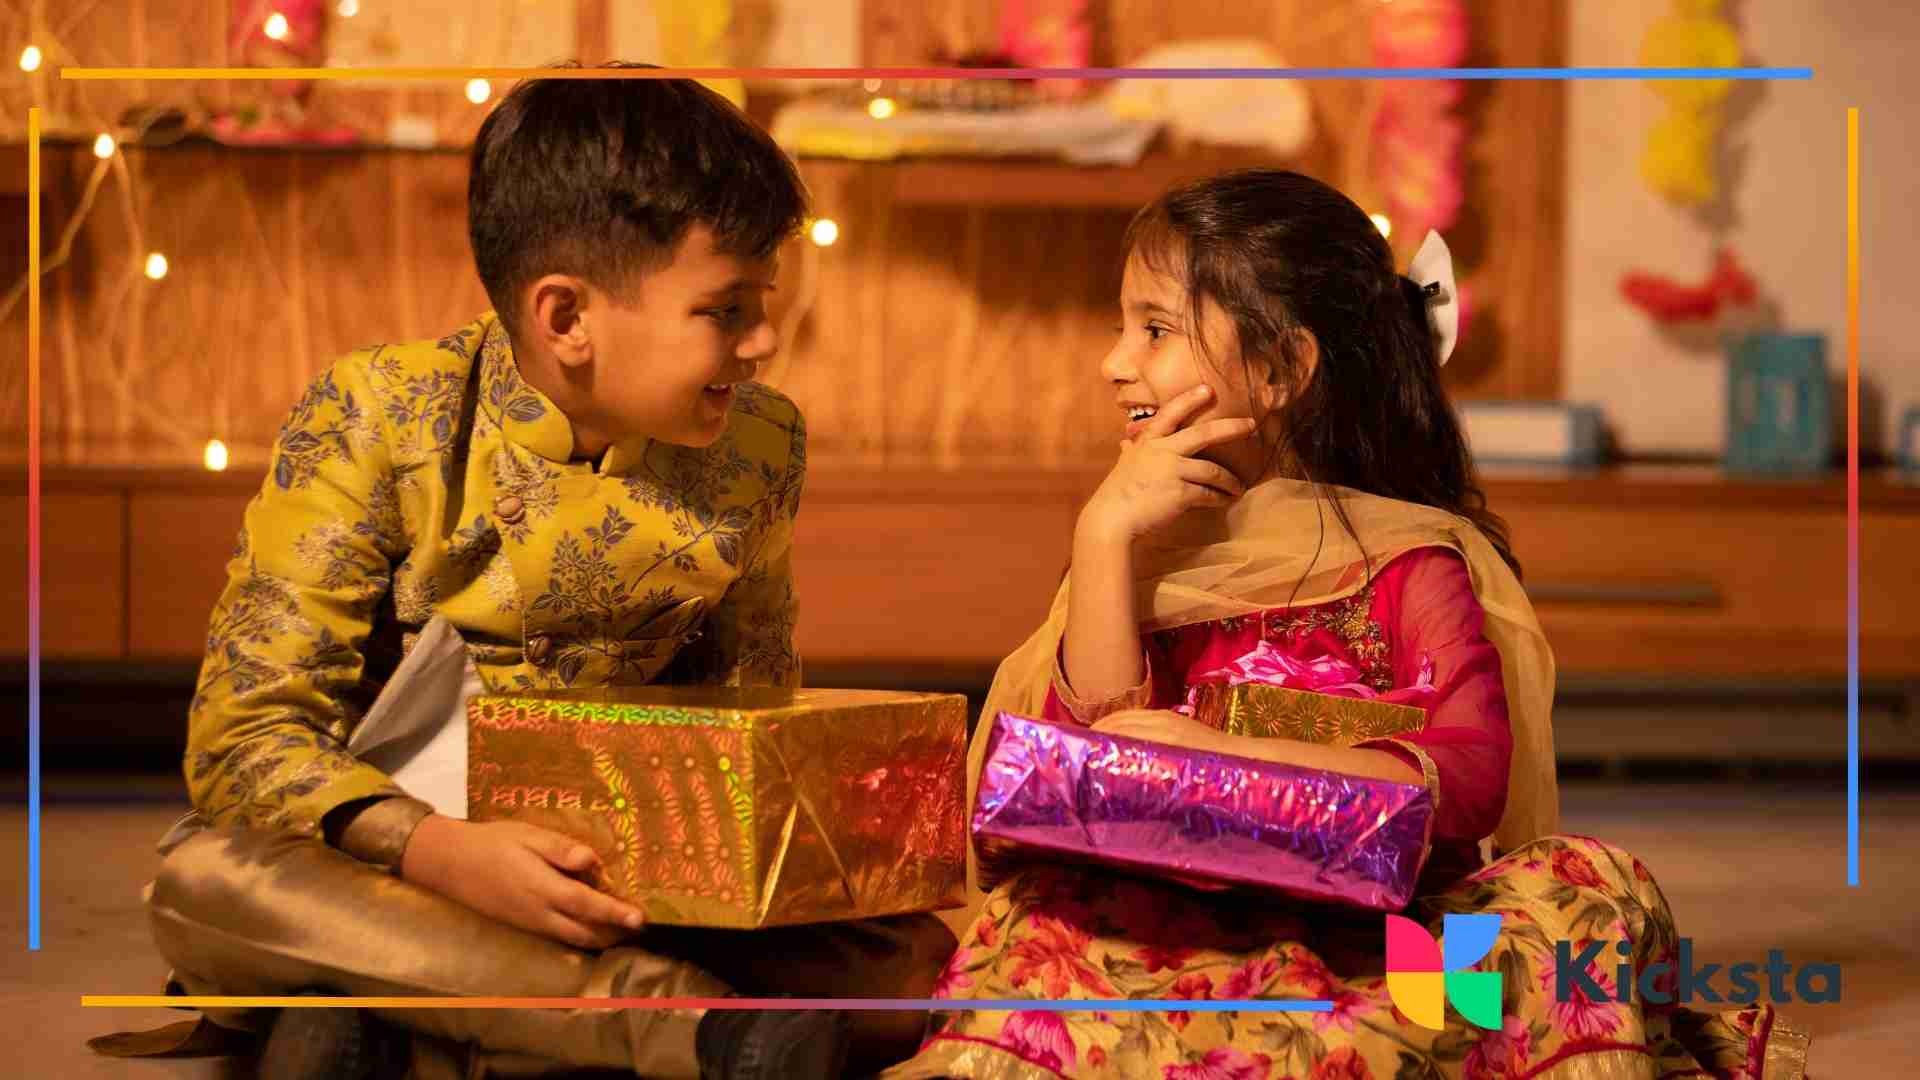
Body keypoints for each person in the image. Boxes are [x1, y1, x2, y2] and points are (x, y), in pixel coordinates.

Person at [118, 69, 954, 1080]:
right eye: (724, 310)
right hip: (383, 861)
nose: (763, 342)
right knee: (201, 882)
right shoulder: (380, 413)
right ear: (565, 318)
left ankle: (410, 1019)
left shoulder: (759, 443)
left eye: (762, 303)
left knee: (916, 959)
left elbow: (753, 716)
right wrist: (439, 853)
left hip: (630, 890)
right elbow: (243, 742)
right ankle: (685, 1027)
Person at [884, 170, 1807, 1079]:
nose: (1114, 362)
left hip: (1394, 934)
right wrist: (1103, 533)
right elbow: (1085, 765)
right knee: (1039, 916)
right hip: (1193, 924)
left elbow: (1474, 778)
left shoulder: (1412, 560)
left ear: (1285, 367)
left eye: (1155, 329)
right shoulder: (1147, 547)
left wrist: (1229, 769)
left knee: (1582, 891)